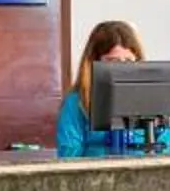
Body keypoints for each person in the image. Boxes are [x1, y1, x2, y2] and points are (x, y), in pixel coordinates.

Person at [57, 18, 145, 156]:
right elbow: (69, 154)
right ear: (94, 61)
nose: (122, 69)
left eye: (128, 61)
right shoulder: (76, 102)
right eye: (112, 61)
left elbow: (166, 143)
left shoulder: (150, 98)